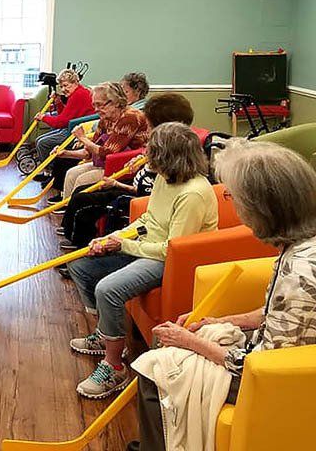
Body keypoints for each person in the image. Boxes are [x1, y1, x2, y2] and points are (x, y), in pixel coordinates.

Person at [128, 141, 316, 450]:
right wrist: (219, 320)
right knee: (171, 343)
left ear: (263, 207)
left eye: (234, 197)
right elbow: (276, 312)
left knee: (155, 369)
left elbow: (257, 368)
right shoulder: (299, 244)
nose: (234, 207)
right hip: (270, 358)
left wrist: (191, 342)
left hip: (275, 381)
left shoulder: (299, 272)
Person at [67, 122, 218, 399]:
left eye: (153, 149)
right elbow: (148, 219)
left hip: (173, 263)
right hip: (150, 247)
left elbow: (173, 249)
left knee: (108, 289)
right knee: (81, 267)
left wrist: (124, 244)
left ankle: (114, 367)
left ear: (169, 156)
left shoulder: (193, 193)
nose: (146, 151)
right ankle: (106, 333)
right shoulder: (165, 178)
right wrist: (113, 237)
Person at [58, 93, 195, 250]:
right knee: (81, 190)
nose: (147, 132)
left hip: (132, 192)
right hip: (131, 183)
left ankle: (81, 246)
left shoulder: (170, 156)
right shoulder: (158, 149)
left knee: (83, 200)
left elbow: (145, 190)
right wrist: (140, 160)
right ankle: (77, 238)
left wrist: (116, 183)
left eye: (149, 127)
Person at [49, 82, 150, 202]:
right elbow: (89, 152)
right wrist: (65, 153)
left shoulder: (130, 117)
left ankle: (75, 212)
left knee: (82, 180)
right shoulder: (105, 119)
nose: (96, 110)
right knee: (71, 173)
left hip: (129, 166)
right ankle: (67, 210)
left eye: (100, 105)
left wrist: (83, 138)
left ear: (116, 102)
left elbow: (106, 152)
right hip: (108, 163)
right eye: (94, 105)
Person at [33, 69, 94, 184]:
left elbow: (61, 122)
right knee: (39, 140)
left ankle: (52, 174)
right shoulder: (77, 93)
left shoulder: (79, 95)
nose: (63, 89)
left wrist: (43, 118)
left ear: (75, 83)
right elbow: (65, 115)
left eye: (66, 85)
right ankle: (48, 172)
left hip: (77, 130)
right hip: (73, 125)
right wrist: (58, 103)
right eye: (61, 86)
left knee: (42, 142)